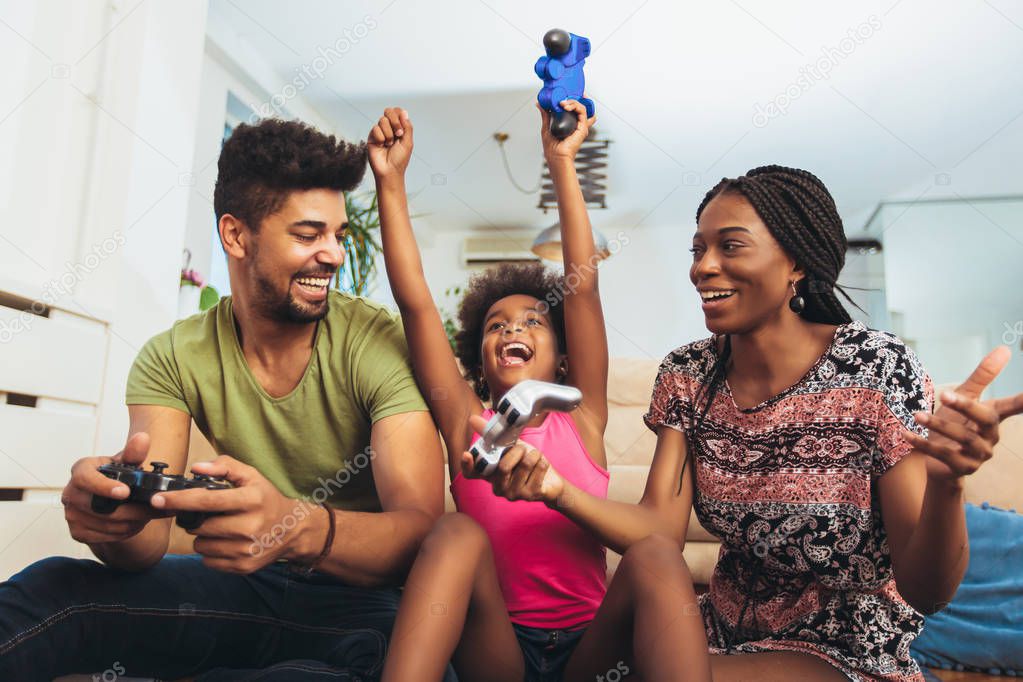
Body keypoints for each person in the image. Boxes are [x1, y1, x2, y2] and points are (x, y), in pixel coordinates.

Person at [535, 166, 1022, 681]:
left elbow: (927, 592)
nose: (704, 267)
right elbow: (658, 531)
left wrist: (947, 482)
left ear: (795, 262)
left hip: (837, 649)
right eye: (698, 249)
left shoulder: (877, 369)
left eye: (731, 246)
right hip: (714, 633)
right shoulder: (688, 373)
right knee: (651, 562)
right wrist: (554, 488)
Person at [0, 118, 446, 681]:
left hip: (365, 609)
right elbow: (147, 546)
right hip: (238, 591)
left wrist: (293, 525)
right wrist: (112, 522)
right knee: (49, 591)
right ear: (236, 236)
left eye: (338, 235)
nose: (332, 254)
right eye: (309, 235)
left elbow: (422, 534)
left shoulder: (376, 341)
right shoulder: (172, 357)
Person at [368, 102, 612, 682]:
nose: (512, 330)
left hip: (589, 649)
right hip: (500, 648)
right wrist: (390, 181)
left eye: (533, 322)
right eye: (496, 326)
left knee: (652, 562)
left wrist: (561, 161)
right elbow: (417, 303)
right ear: (479, 357)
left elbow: (582, 290)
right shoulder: (465, 419)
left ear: (563, 355)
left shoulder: (585, 417)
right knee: (454, 529)